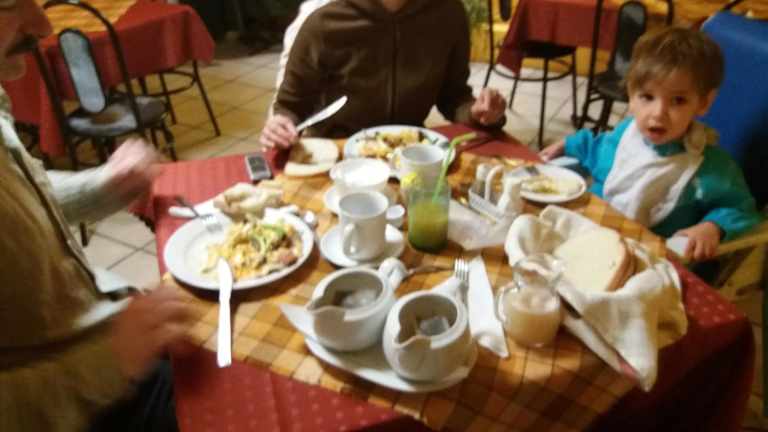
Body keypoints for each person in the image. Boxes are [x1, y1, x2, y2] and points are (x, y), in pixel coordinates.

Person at [0, 1, 191, 431]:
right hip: (83, 406)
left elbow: (14, 196)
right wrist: (111, 361)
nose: (42, 26)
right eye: (9, 5)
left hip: (98, 336)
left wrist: (104, 186)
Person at [539, 27, 762, 262]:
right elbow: (596, 148)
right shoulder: (626, 134)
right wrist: (568, 144)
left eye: (678, 100)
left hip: (646, 257)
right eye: (647, 97)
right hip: (589, 233)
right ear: (631, 96)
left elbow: (741, 209)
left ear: (703, 103)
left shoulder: (711, 167)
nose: (658, 113)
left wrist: (713, 227)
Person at [260, 0, 507, 149]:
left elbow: (453, 96)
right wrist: (281, 125)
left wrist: (478, 113)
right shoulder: (325, 23)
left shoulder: (448, 14)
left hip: (408, 153)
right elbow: (290, 106)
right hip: (336, 154)